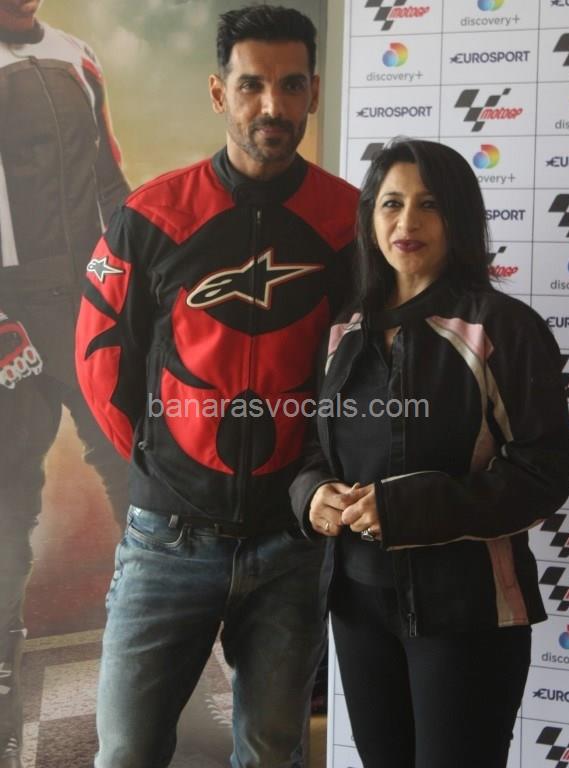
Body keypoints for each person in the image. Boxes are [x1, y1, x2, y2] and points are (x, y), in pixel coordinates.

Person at [75, 5, 358, 767]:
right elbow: (101, 352)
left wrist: (320, 482)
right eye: (252, 85)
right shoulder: (151, 215)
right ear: (218, 92)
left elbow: (365, 371)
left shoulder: (348, 220)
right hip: (167, 539)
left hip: (291, 541)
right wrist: (161, 465)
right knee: (126, 751)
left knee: (271, 752)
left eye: (291, 85)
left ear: (313, 92)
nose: (272, 106)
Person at [290, 138, 569, 768]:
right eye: (391, 203)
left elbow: (544, 472)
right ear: (370, 218)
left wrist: (406, 508)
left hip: (465, 612)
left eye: (430, 205)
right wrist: (312, 494)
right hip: (358, 608)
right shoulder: (343, 330)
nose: (408, 222)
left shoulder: (501, 327)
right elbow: (314, 447)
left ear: (460, 219)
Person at [0, 1, 130, 765]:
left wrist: (134, 282)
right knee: (7, 501)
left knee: (132, 473)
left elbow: (111, 179)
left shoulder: (77, 54)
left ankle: (154, 660)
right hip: (10, 308)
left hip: (88, 302)